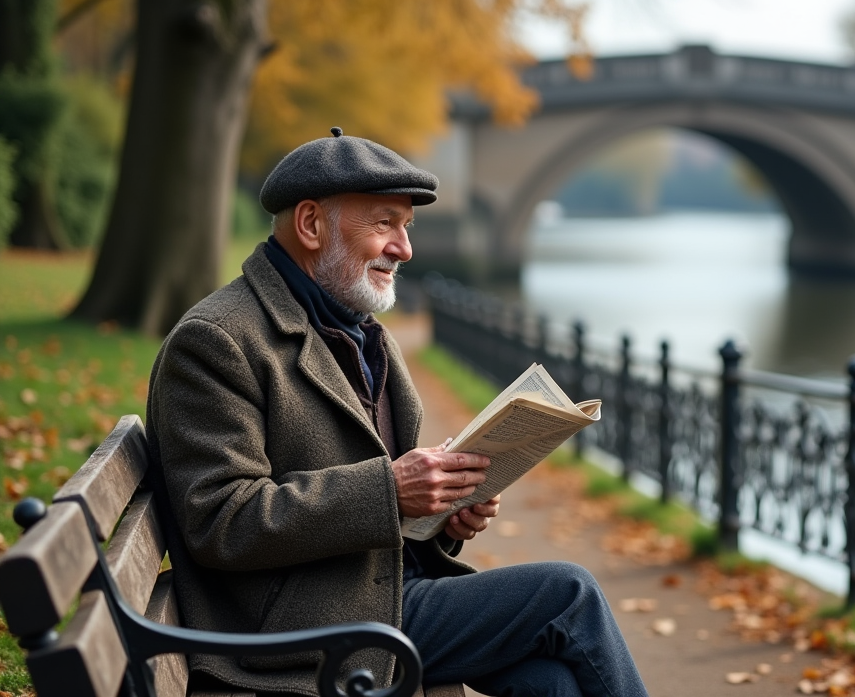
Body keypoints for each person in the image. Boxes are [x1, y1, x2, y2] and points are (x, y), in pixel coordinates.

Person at [147, 128, 649, 697]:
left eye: (405, 227)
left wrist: (443, 518)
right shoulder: (217, 340)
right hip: (301, 630)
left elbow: (378, 504)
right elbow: (221, 522)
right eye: (384, 223)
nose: (404, 249)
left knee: (550, 682)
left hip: (375, 597)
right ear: (311, 225)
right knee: (568, 595)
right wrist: (390, 491)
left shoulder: (360, 331)